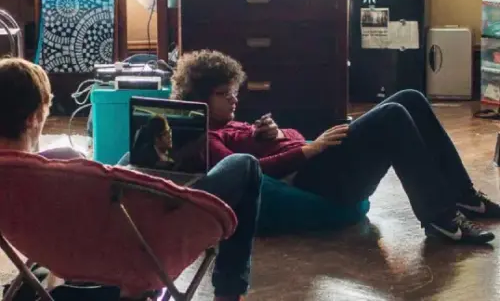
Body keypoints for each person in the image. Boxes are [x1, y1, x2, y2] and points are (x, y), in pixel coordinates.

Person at [171, 49, 500, 245]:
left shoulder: (230, 124)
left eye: (234, 91)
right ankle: (441, 218)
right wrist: (308, 151)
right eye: (223, 94)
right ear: (199, 96)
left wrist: (277, 136)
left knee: (410, 97)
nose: (233, 99)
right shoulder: (207, 139)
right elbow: (245, 172)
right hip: (312, 182)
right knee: (392, 116)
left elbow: (291, 136)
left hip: (315, 165)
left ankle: (467, 199)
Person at [0, 58, 261, 301]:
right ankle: (229, 291)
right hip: (143, 254)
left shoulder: (28, 174)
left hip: (67, 258)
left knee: (131, 158)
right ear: (33, 117)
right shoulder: (64, 167)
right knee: (245, 165)